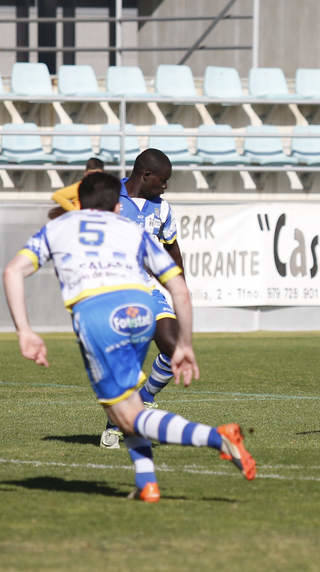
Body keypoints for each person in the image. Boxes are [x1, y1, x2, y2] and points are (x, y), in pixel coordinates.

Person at [3, 172, 256, 502]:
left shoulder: (59, 227)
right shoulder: (131, 230)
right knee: (130, 402)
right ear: (116, 206)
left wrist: (25, 331)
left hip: (99, 314)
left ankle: (217, 437)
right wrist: (185, 344)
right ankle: (146, 483)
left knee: (126, 414)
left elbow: (12, 272)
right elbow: (178, 287)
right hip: (141, 308)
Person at [99, 148, 184, 449]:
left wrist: (178, 285)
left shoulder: (162, 209)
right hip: (114, 293)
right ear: (145, 175)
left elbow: (172, 248)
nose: (165, 188)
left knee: (176, 351)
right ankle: (114, 425)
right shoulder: (109, 199)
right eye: (162, 182)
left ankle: (145, 399)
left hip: (148, 288)